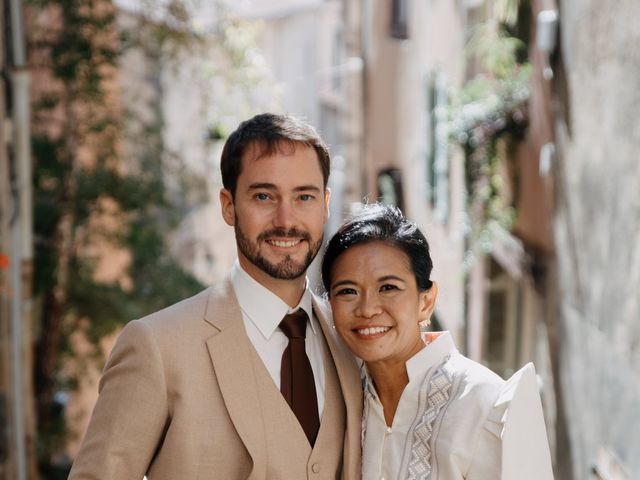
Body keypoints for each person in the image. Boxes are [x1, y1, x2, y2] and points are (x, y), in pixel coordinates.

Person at [69, 113, 363, 480]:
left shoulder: (353, 342)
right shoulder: (158, 347)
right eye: (263, 196)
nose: (285, 219)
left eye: (304, 196)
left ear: (325, 205)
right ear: (228, 205)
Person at [321, 203, 554, 480]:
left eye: (388, 288)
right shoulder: (337, 396)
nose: (368, 309)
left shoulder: (484, 404)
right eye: (347, 291)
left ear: (426, 300)